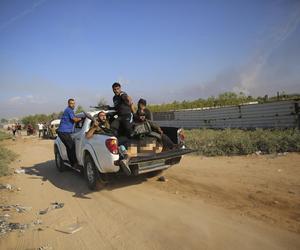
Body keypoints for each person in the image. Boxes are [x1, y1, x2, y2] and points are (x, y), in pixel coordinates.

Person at [86, 111, 131, 175]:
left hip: (113, 140)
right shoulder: (96, 124)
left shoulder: (108, 123)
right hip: (107, 141)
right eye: (101, 115)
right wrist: (94, 127)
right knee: (122, 142)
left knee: (124, 140)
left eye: (104, 115)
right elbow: (87, 136)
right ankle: (124, 157)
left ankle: (125, 158)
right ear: (98, 117)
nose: (103, 117)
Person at [57, 98, 82, 167]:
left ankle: (72, 163)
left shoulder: (68, 110)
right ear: (68, 104)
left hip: (63, 132)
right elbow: (74, 119)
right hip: (64, 132)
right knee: (71, 147)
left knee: (69, 147)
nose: (73, 105)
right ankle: (74, 163)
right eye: (71, 103)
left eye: (74, 103)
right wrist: (81, 119)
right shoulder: (69, 110)